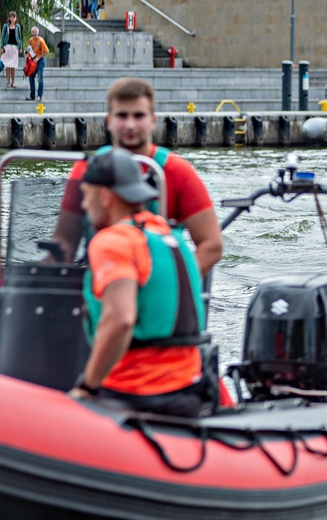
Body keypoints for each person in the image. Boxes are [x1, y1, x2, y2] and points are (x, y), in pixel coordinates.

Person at [68, 148, 207, 418]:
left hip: (137, 393)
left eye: (86, 195)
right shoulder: (169, 235)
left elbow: (120, 319)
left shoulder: (112, 241)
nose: (84, 206)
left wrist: (88, 386)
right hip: (187, 389)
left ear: (105, 197)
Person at [52, 78, 223, 275]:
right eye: (122, 116)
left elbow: (211, 245)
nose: (130, 125)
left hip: (156, 283)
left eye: (138, 116)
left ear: (152, 120)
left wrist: (172, 284)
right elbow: (64, 242)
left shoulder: (177, 171)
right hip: (99, 281)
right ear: (109, 121)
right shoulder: (85, 169)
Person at [25, 26, 47, 102]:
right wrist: (28, 56)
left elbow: (46, 52)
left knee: (40, 79)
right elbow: (30, 50)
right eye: (33, 32)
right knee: (31, 78)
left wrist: (38, 58)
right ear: (31, 33)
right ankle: (32, 96)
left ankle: (39, 96)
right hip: (33, 61)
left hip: (40, 61)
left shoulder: (41, 41)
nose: (34, 33)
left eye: (35, 32)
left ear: (38, 32)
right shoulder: (31, 40)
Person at [1, 12, 22, 88]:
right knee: (7, 66)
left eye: (14, 17)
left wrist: (20, 47)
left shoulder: (18, 26)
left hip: (15, 47)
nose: (13, 19)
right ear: (9, 18)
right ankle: (8, 82)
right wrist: (2, 47)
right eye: (11, 17)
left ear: (16, 18)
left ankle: (13, 82)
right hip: (7, 47)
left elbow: (19, 37)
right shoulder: (5, 26)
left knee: (13, 66)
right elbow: (2, 37)